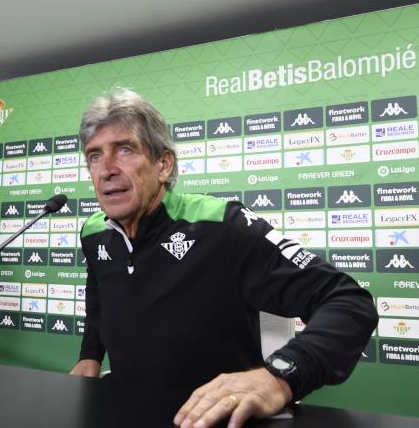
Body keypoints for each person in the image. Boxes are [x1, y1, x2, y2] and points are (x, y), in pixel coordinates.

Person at [69, 88, 378, 428]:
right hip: (126, 411)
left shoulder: (221, 225)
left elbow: (349, 301)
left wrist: (280, 376)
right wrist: (90, 356)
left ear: (163, 164)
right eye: (94, 156)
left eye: (125, 150)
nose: (107, 170)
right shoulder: (94, 231)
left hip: (213, 420)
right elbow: (100, 292)